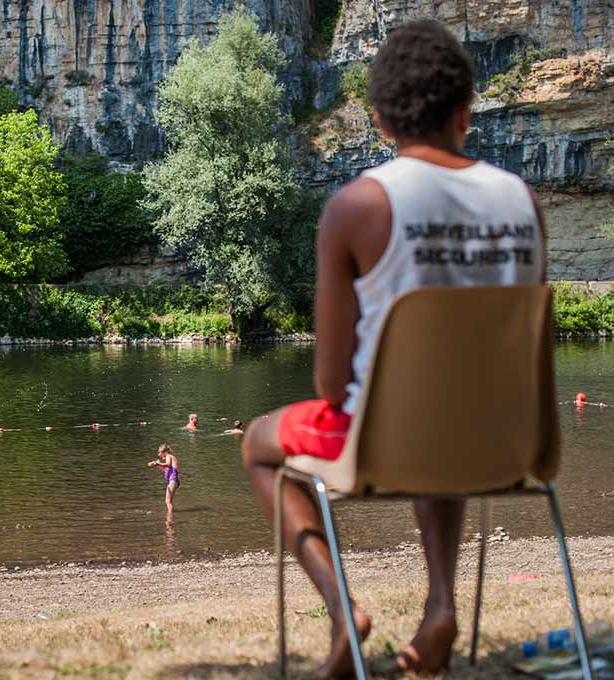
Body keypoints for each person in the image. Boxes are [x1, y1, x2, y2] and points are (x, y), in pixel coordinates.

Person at [241, 20, 544, 679]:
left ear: (378, 122)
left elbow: (329, 381)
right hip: (509, 443)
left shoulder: (359, 206)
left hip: (391, 440)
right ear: (466, 112)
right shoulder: (523, 203)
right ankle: (440, 606)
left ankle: (343, 607)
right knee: (446, 413)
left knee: (258, 444)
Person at [148, 444, 180, 512]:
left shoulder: (168, 455)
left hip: (173, 480)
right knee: (169, 501)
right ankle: (171, 513)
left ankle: (170, 516)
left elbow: (168, 464)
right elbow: (165, 470)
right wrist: (158, 464)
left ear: (165, 452)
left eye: (159, 452)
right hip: (173, 481)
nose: (159, 454)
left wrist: (158, 463)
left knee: (167, 501)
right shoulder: (169, 457)